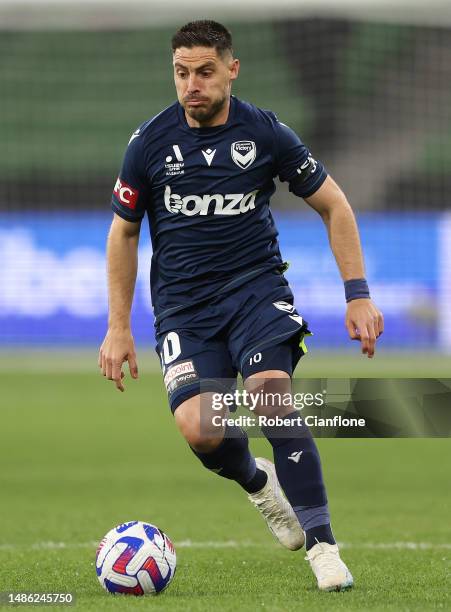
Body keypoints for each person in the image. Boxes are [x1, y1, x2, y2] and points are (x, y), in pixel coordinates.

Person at [98, 19, 383, 592]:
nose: (192, 84)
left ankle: (323, 545)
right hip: (183, 308)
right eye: (182, 73)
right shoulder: (148, 143)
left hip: (257, 292)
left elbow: (335, 206)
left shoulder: (266, 134)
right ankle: (259, 483)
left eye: (204, 71)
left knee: (269, 398)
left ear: (232, 69)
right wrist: (117, 327)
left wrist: (358, 296)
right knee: (200, 430)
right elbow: (124, 233)